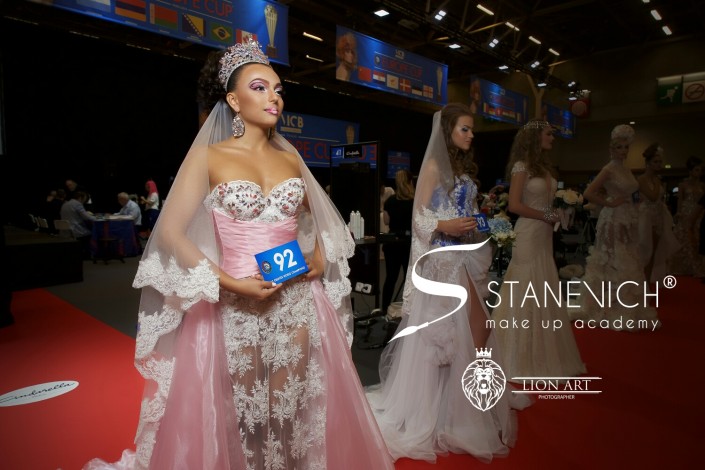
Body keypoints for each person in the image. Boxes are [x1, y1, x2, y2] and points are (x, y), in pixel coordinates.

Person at [84, 40, 393, 470]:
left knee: (287, 409)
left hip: (296, 300)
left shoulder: (290, 158)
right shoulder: (208, 157)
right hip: (234, 304)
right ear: (233, 100)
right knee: (246, 414)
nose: (274, 97)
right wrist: (229, 282)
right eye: (260, 87)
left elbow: (325, 219)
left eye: (278, 89)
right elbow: (170, 233)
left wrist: (320, 257)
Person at [366, 103, 529, 464]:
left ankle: (462, 404)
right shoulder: (434, 168)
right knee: (447, 337)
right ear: (448, 131)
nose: (470, 135)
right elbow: (419, 218)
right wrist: (446, 226)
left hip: (463, 256)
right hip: (442, 260)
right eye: (464, 129)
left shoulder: (463, 170)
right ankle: (446, 411)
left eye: (472, 130)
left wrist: (482, 223)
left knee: (473, 331)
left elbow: (463, 211)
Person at [490, 120, 585, 381]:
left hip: (544, 236)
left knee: (543, 288)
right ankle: (514, 357)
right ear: (535, 137)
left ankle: (541, 354)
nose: (552, 138)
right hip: (529, 233)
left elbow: (545, 203)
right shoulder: (521, 167)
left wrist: (562, 212)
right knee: (524, 288)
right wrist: (547, 215)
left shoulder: (544, 168)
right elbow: (514, 205)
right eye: (548, 134)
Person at [568, 124, 659, 330]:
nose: (624, 151)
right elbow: (589, 193)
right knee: (611, 259)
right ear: (611, 149)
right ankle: (604, 307)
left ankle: (624, 305)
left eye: (626, 147)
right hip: (613, 219)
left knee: (628, 258)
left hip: (628, 218)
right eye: (619, 147)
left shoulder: (626, 169)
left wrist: (634, 200)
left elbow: (632, 191)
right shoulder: (608, 169)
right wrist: (609, 203)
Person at [637, 143, 679, 283]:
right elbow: (653, 196)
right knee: (645, 252)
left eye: (660, 162)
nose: (659, 164)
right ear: (648, 163)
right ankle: (642, 283)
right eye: (655, 162)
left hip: (658, 217)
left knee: (654, 252)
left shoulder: (657, 179)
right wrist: (656, 182)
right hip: (646, 217)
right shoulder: (642, 179)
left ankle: (647, 283)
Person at [381, 169, 414, 315]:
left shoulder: (390, 201)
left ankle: (384, 309)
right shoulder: (415, 201)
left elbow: (386, 221)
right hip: (408, 244)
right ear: (410, 182)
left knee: (390, 278)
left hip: (392, 244)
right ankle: (409, 310)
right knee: (409, 279)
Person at [669, 155, 705, 277]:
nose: (699, 172)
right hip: (686, 213)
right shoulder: (683, 185)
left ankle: (698, 267)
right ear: (690, 170)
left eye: (700, 170)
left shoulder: (702, 185)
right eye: (696, 170)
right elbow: (680, 201)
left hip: (699, 214)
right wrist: (678, 214)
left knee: (697, 239)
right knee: (685, 240)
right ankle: (684, 266)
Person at [60, 190, 96, 259]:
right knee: (90, 233)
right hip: (75, 230)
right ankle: (87, 256)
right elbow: (87, 217)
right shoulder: (77, 204)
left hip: (65, 231)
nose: (84, 201)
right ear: (80, 197)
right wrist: (97, 218)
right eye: (84, 199)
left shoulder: (65, 204)